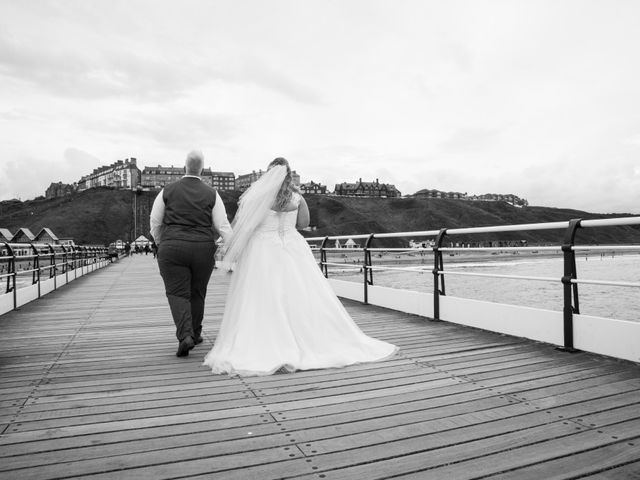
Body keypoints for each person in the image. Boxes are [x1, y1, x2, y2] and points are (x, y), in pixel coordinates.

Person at [203, 157, 397, 376]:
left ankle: (268, 341)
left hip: (263, 249)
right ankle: (308, 339)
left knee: (262, 295)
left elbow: (248, 226)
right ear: (289, 175)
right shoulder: (297, 197)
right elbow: (303, 224)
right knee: (300, 293)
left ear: (268, 174)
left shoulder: (259, 197)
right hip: (293, 247)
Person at [150, 150, 232, 357]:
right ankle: (195, 334)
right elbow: (222, 225)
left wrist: (162, 242)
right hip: (203, 248)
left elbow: (155, 222)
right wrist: (234, 247)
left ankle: (185, 335)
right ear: (202, 169)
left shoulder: (167, 191)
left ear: (184, 166)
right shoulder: (212, 193)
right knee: (197, 292)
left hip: (172, 247)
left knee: (177, 293)